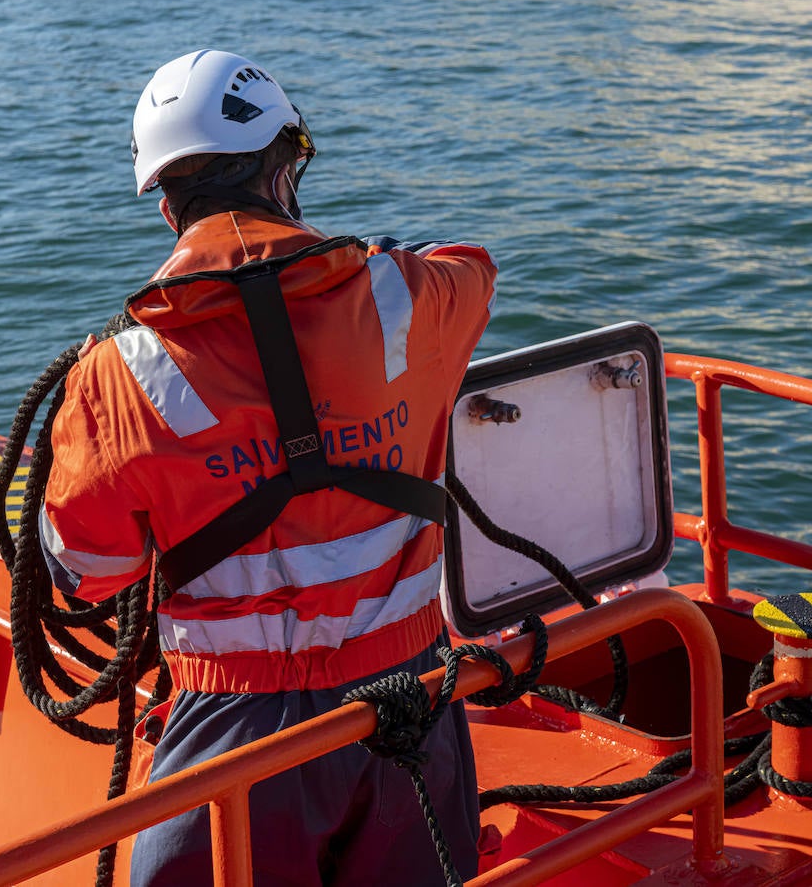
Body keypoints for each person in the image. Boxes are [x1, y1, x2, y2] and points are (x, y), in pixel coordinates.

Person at [38, 48, 497, 886]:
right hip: (412, 705)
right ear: (286, 168)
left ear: (168, 206)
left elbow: (86, 573)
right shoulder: (404, 295)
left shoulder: (114, 375)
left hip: (236, 727)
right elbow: (473, 268)